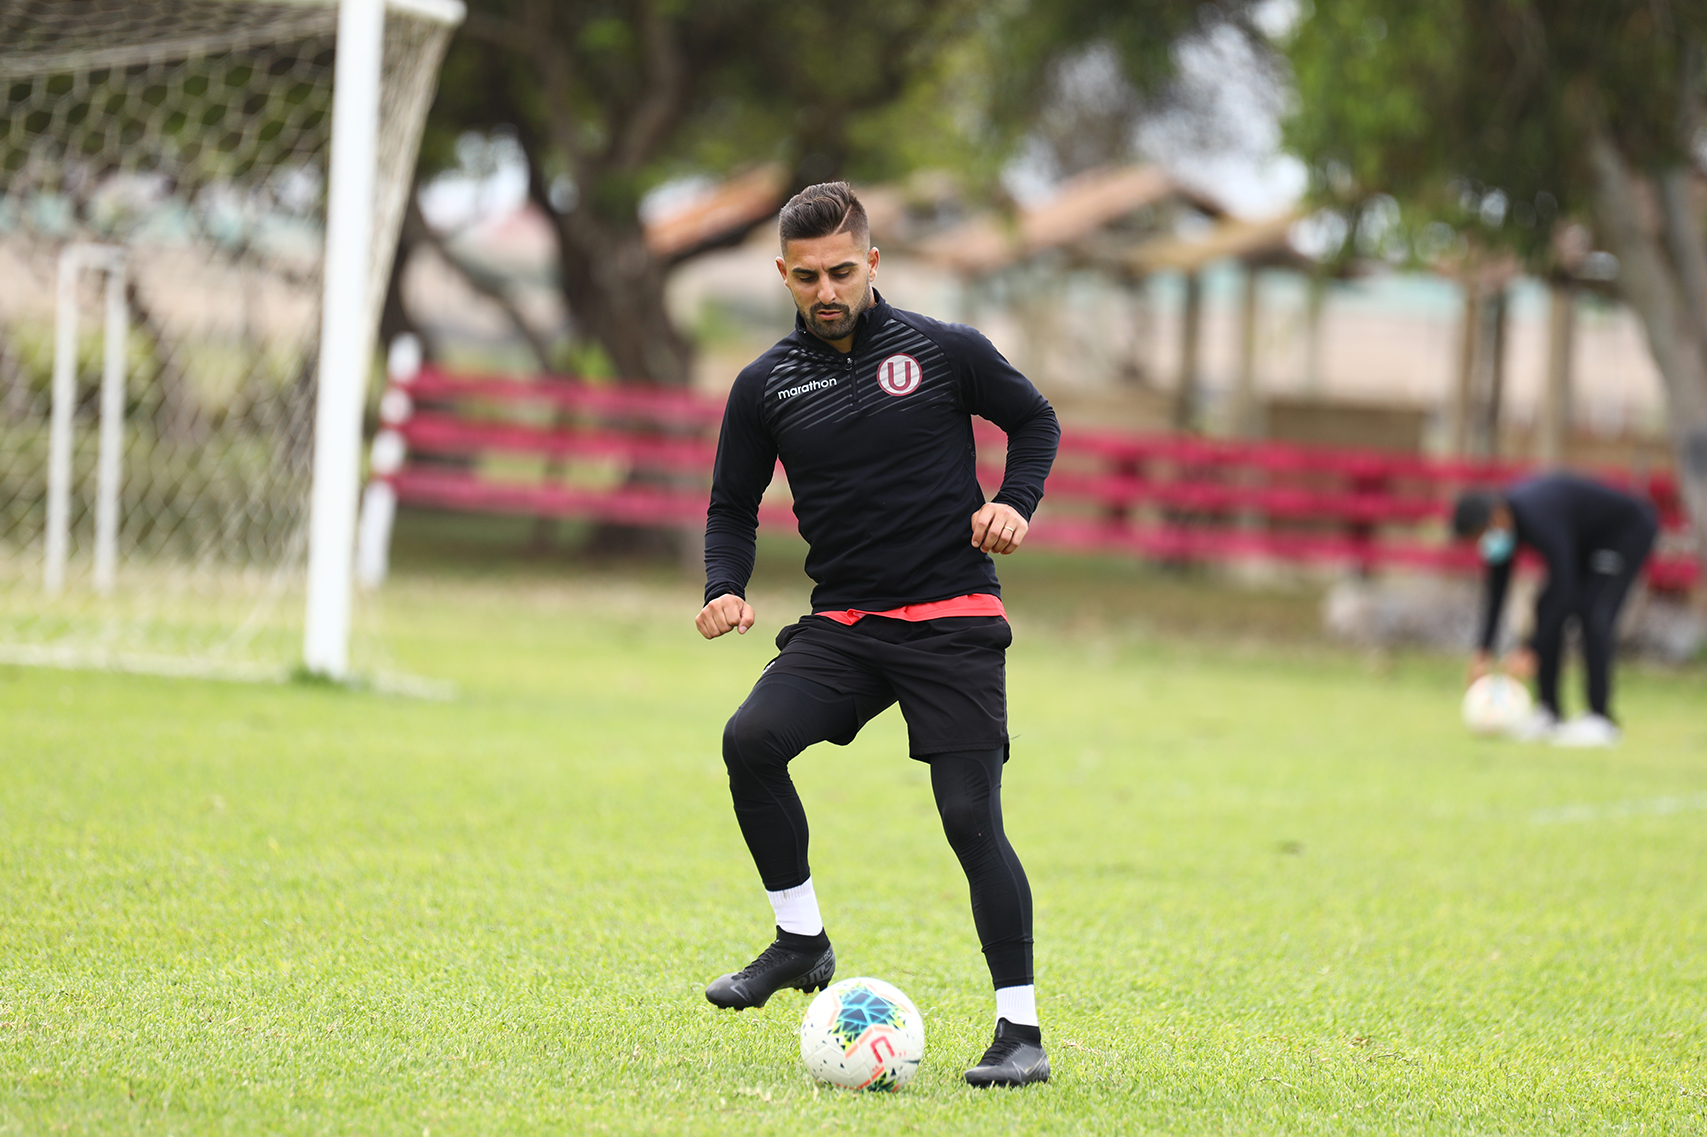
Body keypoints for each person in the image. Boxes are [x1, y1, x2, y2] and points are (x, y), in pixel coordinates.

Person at [694, 181, 1059, 1087]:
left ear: (873, 264)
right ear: (782, 273)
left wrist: (1013, 502)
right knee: (751, 739)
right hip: (845, 625)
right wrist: (723, 586)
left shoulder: (943, 351)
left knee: (970, 818)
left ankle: (1020, 1032)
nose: (827, 290)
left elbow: (1035, 420)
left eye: (843, 271)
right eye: (808, 275)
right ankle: (800, 940)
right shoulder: (765, 384)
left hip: (950, 618)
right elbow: (732, 504)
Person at [1451, 472, 1659, 746]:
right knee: (1545, 606)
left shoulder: (1538, 515)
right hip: (1587, 544)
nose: (1482, 543)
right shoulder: (1506, 528)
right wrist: (1483, 650)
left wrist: (1531, 649)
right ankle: (1549, 712)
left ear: (1496, 515)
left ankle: (1601, 719)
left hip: (1626, 531)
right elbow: (1497, 591)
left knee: (1591, 611)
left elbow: (1566, 584)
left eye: (1481, 534)